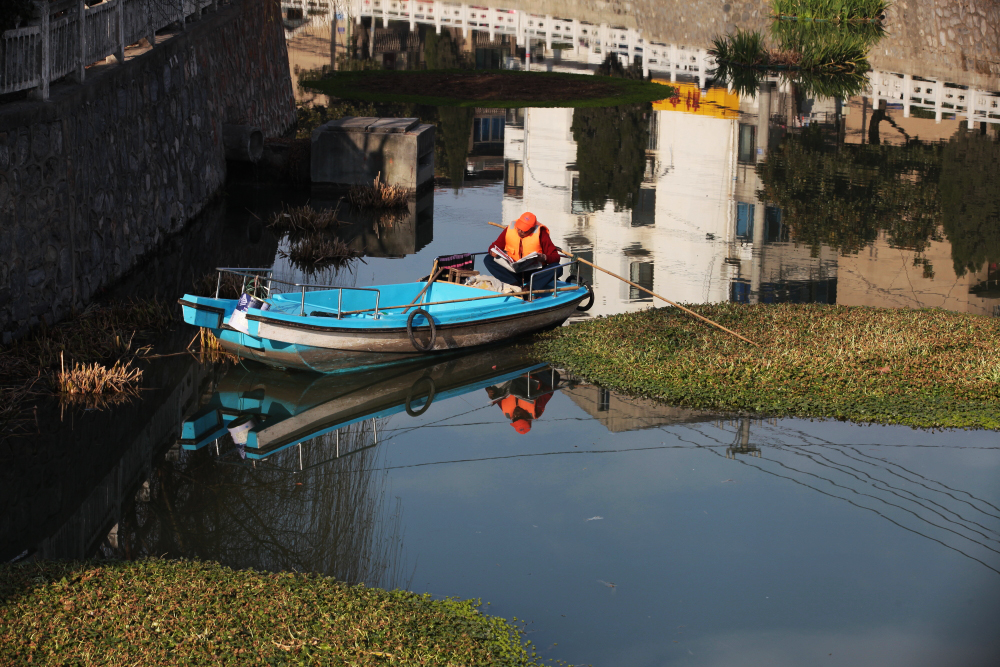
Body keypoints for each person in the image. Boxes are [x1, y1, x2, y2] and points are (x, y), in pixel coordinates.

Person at [483, 212, 563, 295]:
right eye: (519, 228)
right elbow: (494, 246)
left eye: (524, 231)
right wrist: (492, 251)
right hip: (513, 271)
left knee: (558, 268)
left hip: (534, 274)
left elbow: (556, 257)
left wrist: (544, 258)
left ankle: (529, 287)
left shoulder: (541, 234)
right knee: (488, 259)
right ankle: (514, 284)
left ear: (532, 229)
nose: (520, 232)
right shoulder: (510, 229)